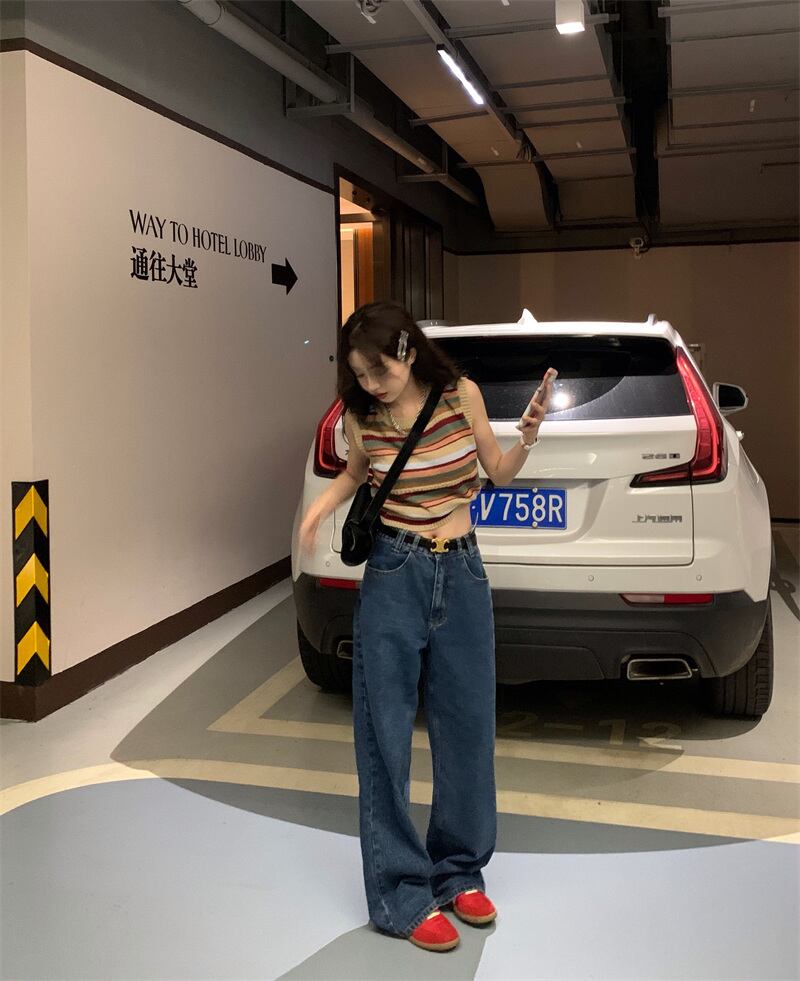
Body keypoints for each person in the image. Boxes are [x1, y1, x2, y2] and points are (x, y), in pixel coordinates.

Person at [299, 301, 555, 952]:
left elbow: (498, 472)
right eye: (358, 374)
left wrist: (526, 436)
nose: (370, 384)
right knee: (383, 730)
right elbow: (356, 474)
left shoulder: (460, 395)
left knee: (468, 725)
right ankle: (399, 894)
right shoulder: (363, 415)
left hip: (463, 570)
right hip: (395, 570)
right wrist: (319, 508)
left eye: (378, 371)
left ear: (409, 352)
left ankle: (459, 870)